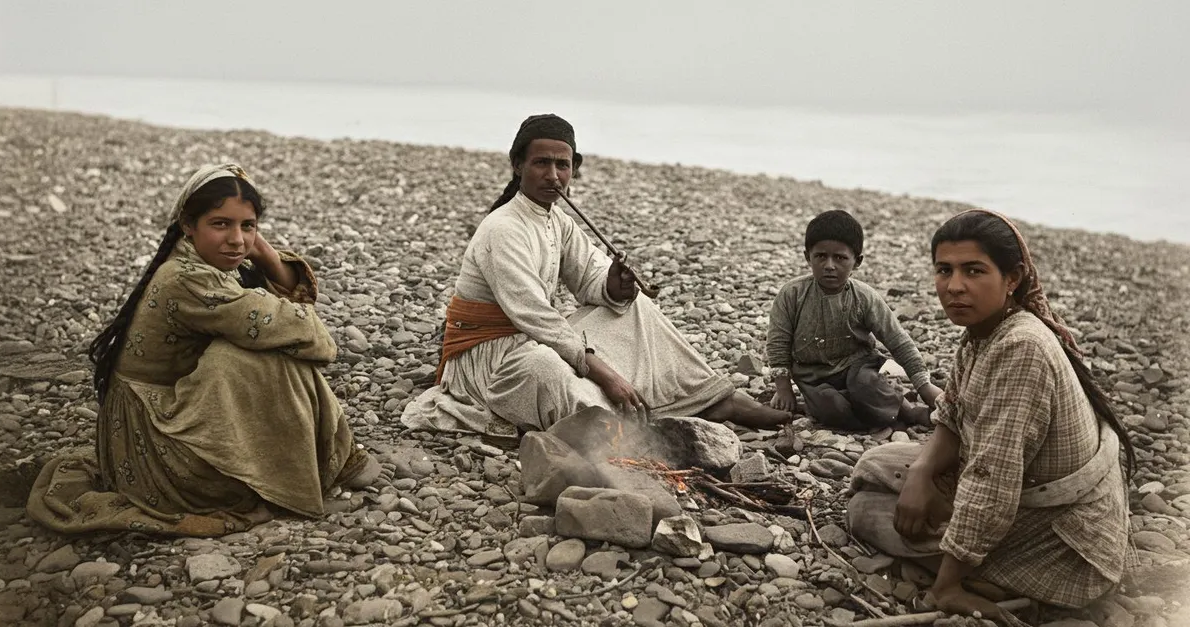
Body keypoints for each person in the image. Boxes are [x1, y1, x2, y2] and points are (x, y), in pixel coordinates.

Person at [27, 163, 380, 536]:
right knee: (255, 353)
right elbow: (313, 337)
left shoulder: (204, 262)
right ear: (187, 225)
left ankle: (332, 456)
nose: (236, 240)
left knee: (264, 344)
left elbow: (293, 313)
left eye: (248, 226)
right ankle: (334, 457)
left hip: (164, 418)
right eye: (220, 224)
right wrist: (278, 295)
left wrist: (264, 253)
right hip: (158, 454)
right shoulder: (186, 278)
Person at [401, 114, 789, 437]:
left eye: (562, 165)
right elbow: (533, 314)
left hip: (530, 340)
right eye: (541, 163)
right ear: (518, 165)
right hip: (489, 359)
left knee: (636, 309)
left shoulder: (558, 221)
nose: (553, 175)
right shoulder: (502, 228)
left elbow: (589, 277)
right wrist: (604, 373)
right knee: (546, 367)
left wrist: (615, 285)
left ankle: (712, 398)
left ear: (574, 169)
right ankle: (630, 425)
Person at [847, 210, 1134, 616]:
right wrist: (921, 473)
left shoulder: (1021, 348)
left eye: (974, 270)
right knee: (873, 466)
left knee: (864, 510)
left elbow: (992, 479)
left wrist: (947, 587)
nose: (954, 286)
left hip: (1062, 540)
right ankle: (961, 538)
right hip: (1014, 485)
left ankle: (976, 575)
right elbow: (952, 412)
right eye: (944, 270)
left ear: (1012, 278)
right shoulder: (983, 331)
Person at [766, 210, 943, 430]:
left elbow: (897, 340)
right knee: (833, 408)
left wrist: (924, 386)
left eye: (840, 258)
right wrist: (783, 388)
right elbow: (778, 343)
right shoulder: (792, 294)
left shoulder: (864, 296)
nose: (829, 265)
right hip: (812, 374)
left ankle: (907, 411)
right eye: (820, 256)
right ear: (807, 257)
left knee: (868, 386)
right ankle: (868, 414)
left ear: (857, 261)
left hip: (857, 365)